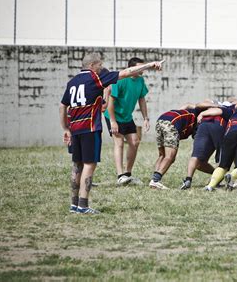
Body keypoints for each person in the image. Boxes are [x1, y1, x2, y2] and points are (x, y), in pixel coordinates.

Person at [59, 53, 162, 214]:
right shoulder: (96, 78)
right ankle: (83, 205)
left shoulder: (72, 82)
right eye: (99, 64)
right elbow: (126, 72)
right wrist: (150, 65)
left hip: (75, 128)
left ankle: (74, 204)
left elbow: (62, 105)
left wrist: (65, 128)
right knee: (89, 164)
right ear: (92, 65)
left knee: (77, 164)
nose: (102, 67)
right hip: (90, 128)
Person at [104, 57, 154, 186]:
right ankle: (120, 176)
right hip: (113, 115)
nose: (142, 69)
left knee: (135, 141)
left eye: (143, 67)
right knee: (119, 142)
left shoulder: (140, 80)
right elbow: (110, 101)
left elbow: (141, 99)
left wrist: (146, 118)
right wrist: (113, 122)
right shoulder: (119, 80)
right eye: (139, 67)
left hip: (127, 116)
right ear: (132, 68)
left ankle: (127, 174)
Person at [179, 101, 236, 190]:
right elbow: (219, 111)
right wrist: (203, 113)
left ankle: (188, 179)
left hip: (202, 127)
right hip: (218, 126)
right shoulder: (228, 109)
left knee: (197, 159)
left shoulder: (209, 106)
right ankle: (216, 180)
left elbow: (195, 104)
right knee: (222, 159)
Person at [149, 107, 201, 190]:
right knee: (170, 157)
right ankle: (155, 181)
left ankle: (153, 180)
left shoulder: (187, 114)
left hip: (160, 120)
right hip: (171, 124)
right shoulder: (196, 112)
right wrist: (218, 106)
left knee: (162, 155)